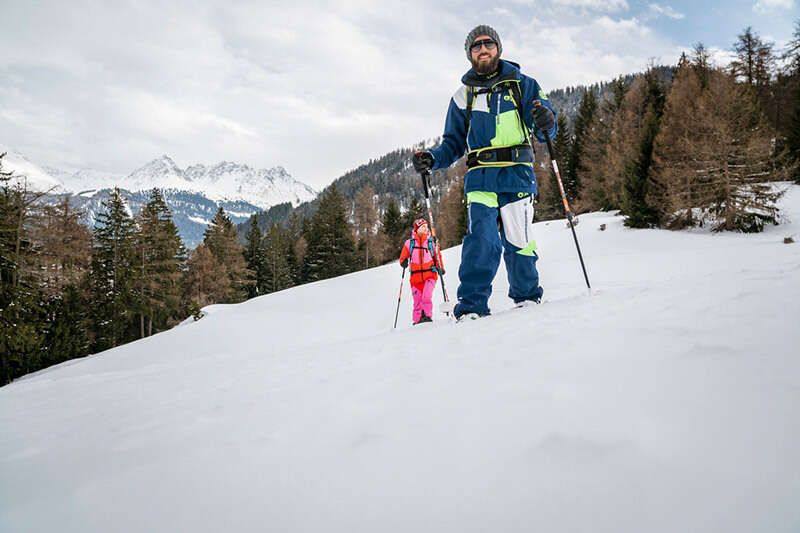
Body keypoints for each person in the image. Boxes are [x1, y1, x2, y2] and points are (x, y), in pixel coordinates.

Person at [412, 24, 557, 321]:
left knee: (520, 238)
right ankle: (472, 307)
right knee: (481, 240)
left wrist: (546, 119)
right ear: (469, 54)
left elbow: (546, 130)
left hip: (517, 172)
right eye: (475, 46)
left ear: (498, 48)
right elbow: (452, 143)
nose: (482, 49)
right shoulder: (462, 96)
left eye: (487, 43)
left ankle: (527, 297)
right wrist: (431, 159)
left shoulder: (523, 84)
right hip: (480, 177)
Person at [398, 218, 444, 325]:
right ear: (417, 229)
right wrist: (403, 262)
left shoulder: (431, 242)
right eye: (423, 227)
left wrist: (440, 267)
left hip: (430, 275)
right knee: (417, 300)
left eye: (426, 227)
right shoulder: (409, 244)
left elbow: (437, 257)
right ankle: (418, 320)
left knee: (426, 296)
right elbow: (403, 258)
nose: (425, 229)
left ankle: (427, 316)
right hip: (415, 278)